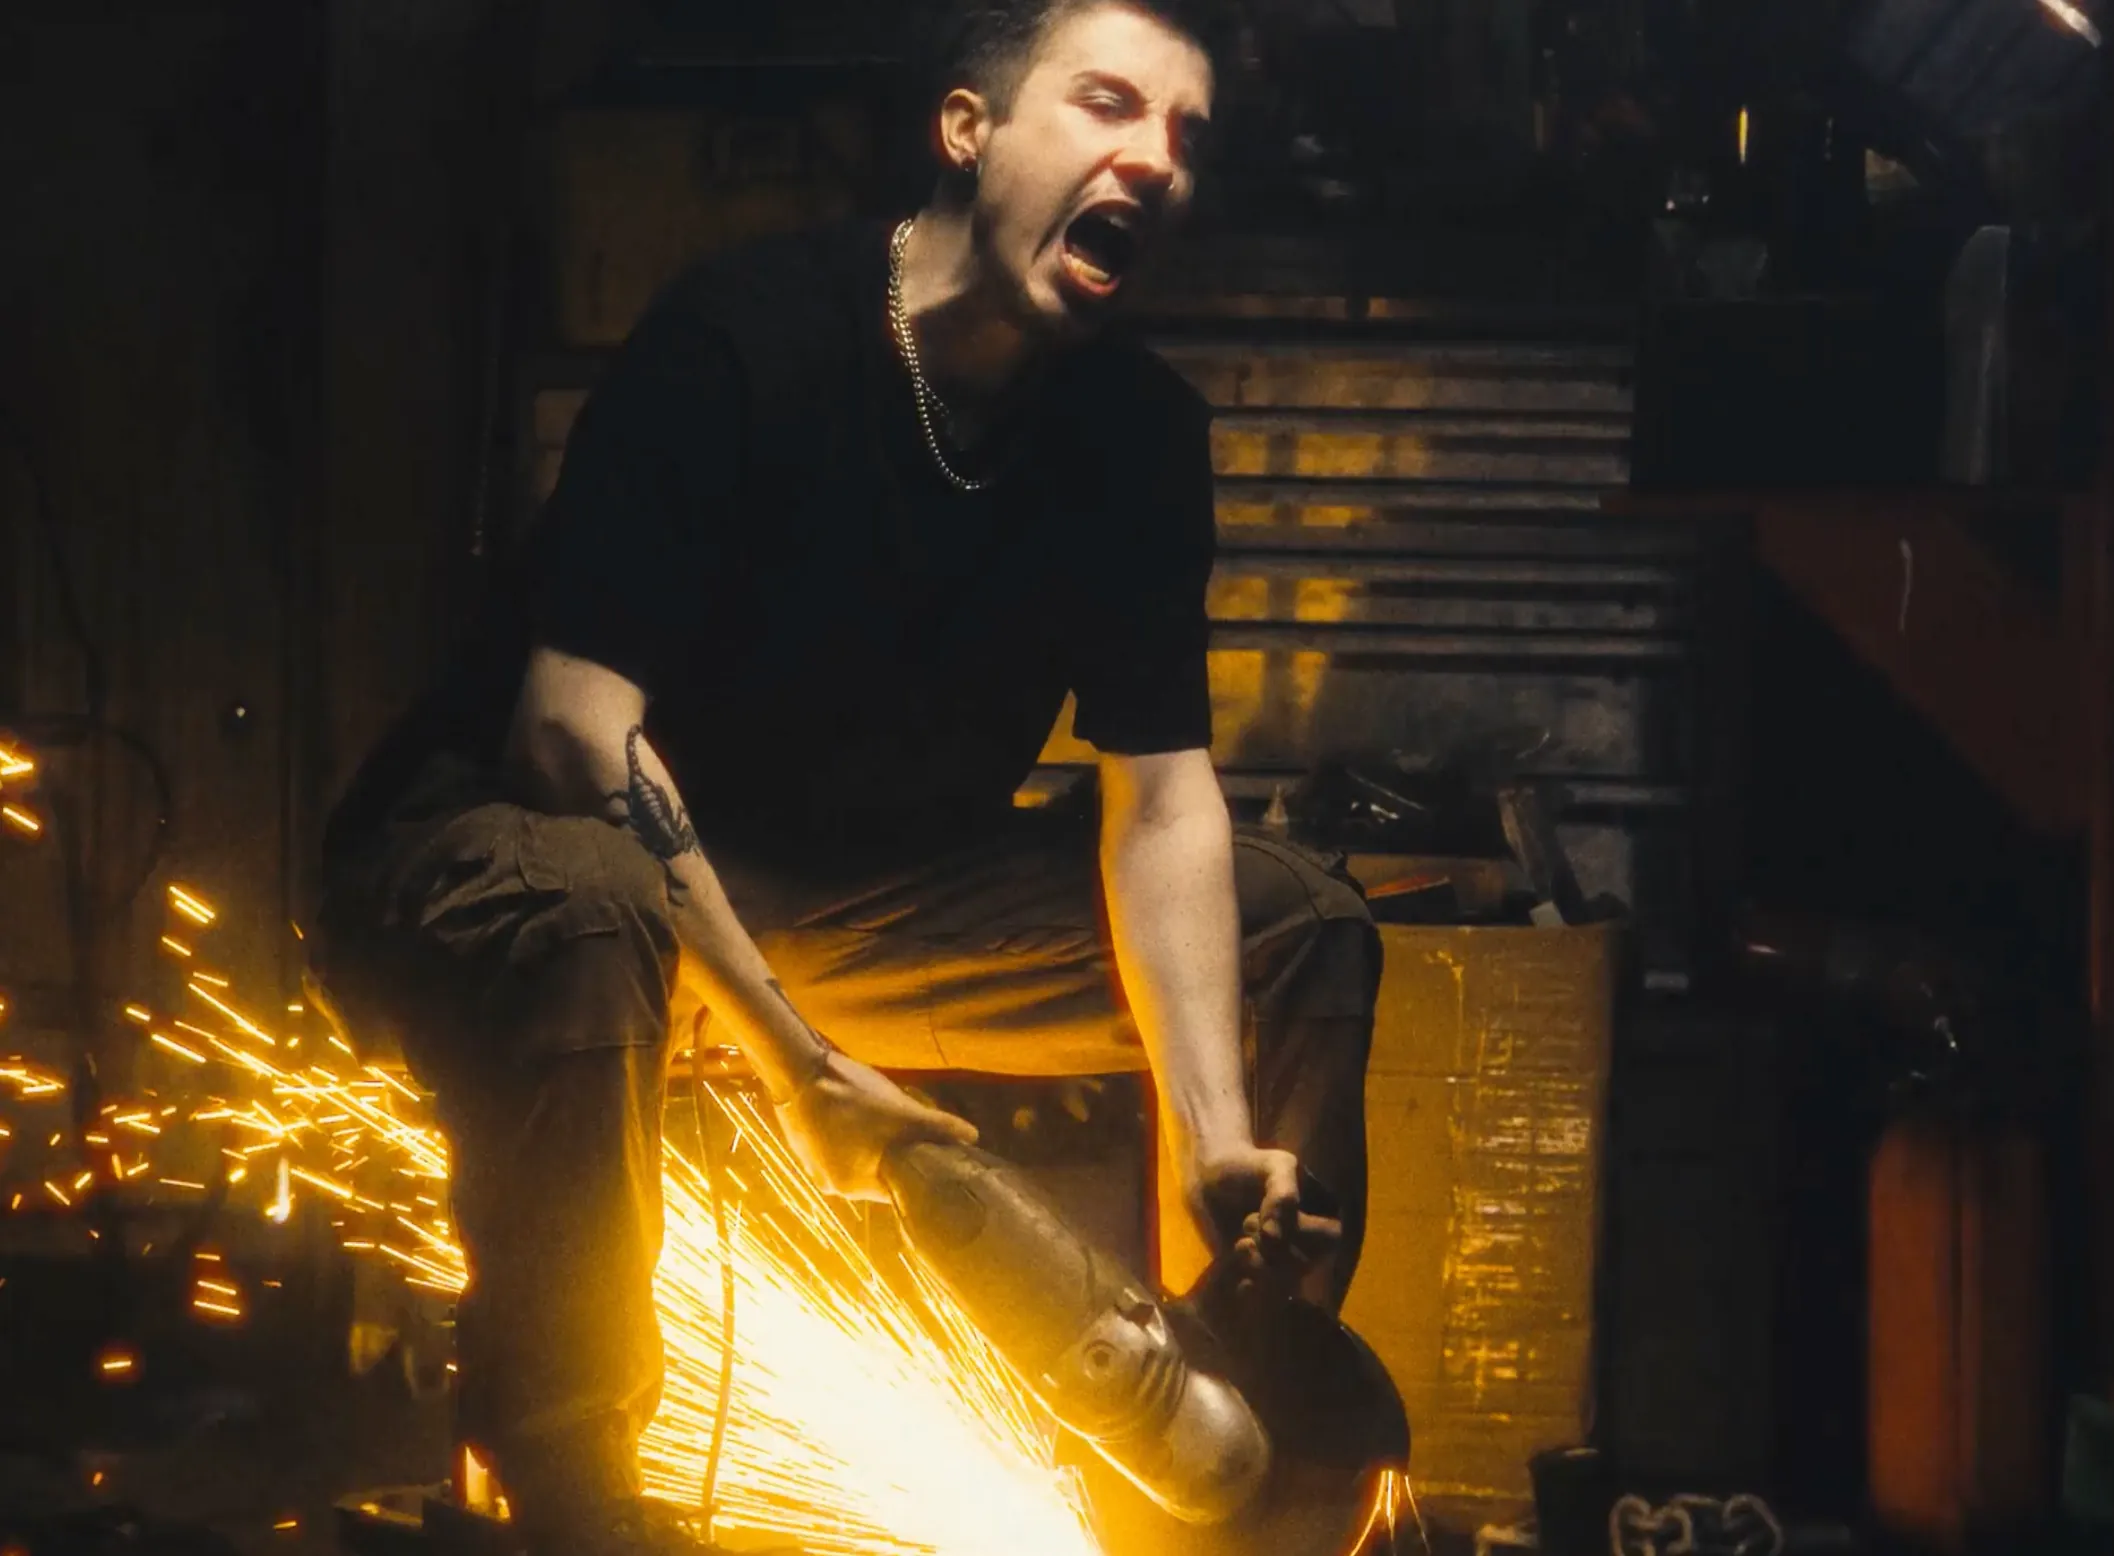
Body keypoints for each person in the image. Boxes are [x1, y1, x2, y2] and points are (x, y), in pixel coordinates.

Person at [310, 2, 1381, 1551]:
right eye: (1104, 105)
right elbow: (569, 731)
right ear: (967, 130)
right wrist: (798, 1071)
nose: (1151, 159)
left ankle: (1218, 1428)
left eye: (1185, 137)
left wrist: (1218, 1131)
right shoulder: (747, 339)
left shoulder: (1137, 437)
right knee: (595, 904)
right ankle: (575, 1486)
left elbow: (1162, 803)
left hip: (864, 904)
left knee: (1293, 921)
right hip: (526, 869)